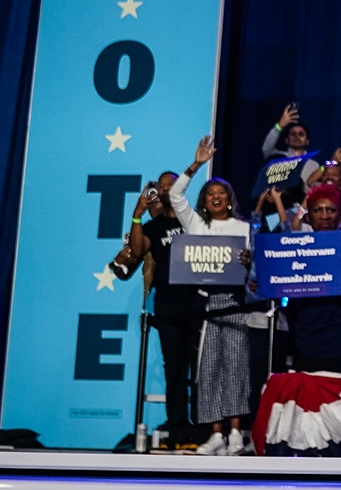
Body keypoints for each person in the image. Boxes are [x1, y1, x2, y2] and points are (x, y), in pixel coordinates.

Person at [166, 137, 261, 456]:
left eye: (222, 193)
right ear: (205, 202)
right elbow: (175, 195)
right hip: (204, 305)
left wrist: (250, 265)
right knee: (207, 370)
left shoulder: (244, 228)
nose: (217, 197)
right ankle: (215, 434)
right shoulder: (196, 224)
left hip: (235, 304)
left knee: (235, 367)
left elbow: (257, 276)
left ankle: (236, 432)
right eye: (211, 194)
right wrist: (196, 165)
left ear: (230, 200)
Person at [110, 172, 195, 444]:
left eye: (172, 185)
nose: (167, 189)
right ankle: (178, 422)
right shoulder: (152, 227)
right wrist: (137, 214)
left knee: (201, 368)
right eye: (163, 186)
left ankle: (206, 423)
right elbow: (135, 252)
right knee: (175, 367)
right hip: (169, 306)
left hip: (199, 304)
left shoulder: (192, 220)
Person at [281, 184, 341, 374]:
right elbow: (286, 304)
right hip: (308, 347)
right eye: (318, 210)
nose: (324, 216)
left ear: (340, 215)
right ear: (308, 217)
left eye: (330, 210)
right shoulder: (294, 250)